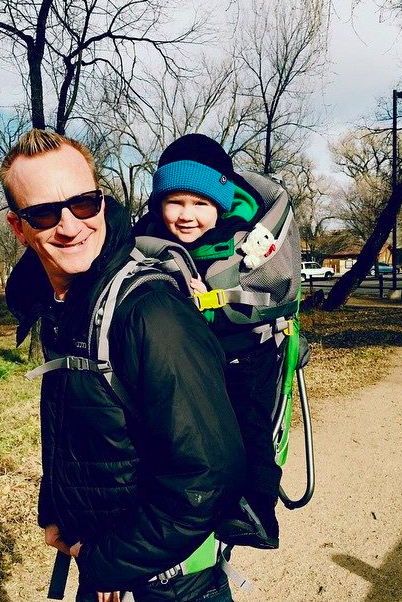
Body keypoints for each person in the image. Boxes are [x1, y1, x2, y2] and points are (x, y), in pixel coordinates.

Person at [1, 129, 246, 602]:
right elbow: (83, 428)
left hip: (173, 583)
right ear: (19, 226)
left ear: (101, 200)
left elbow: (208, 479)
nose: (70, 226)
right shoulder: (64, 304)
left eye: (83, 204)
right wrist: (58, 510)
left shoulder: (151, 312)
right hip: (109, 567)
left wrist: (106, 562)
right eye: (45, 213)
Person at [134, 133, 283, 548]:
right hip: (185, 354)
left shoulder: (240, 238)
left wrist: (211, 301)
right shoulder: (146, 238)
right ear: (158, 204)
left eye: (200, 203)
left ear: (220, 204)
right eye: (175, 202)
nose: (187, 215)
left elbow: (259, 297)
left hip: (242, 350)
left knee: (246, 422)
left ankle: (256, 509)